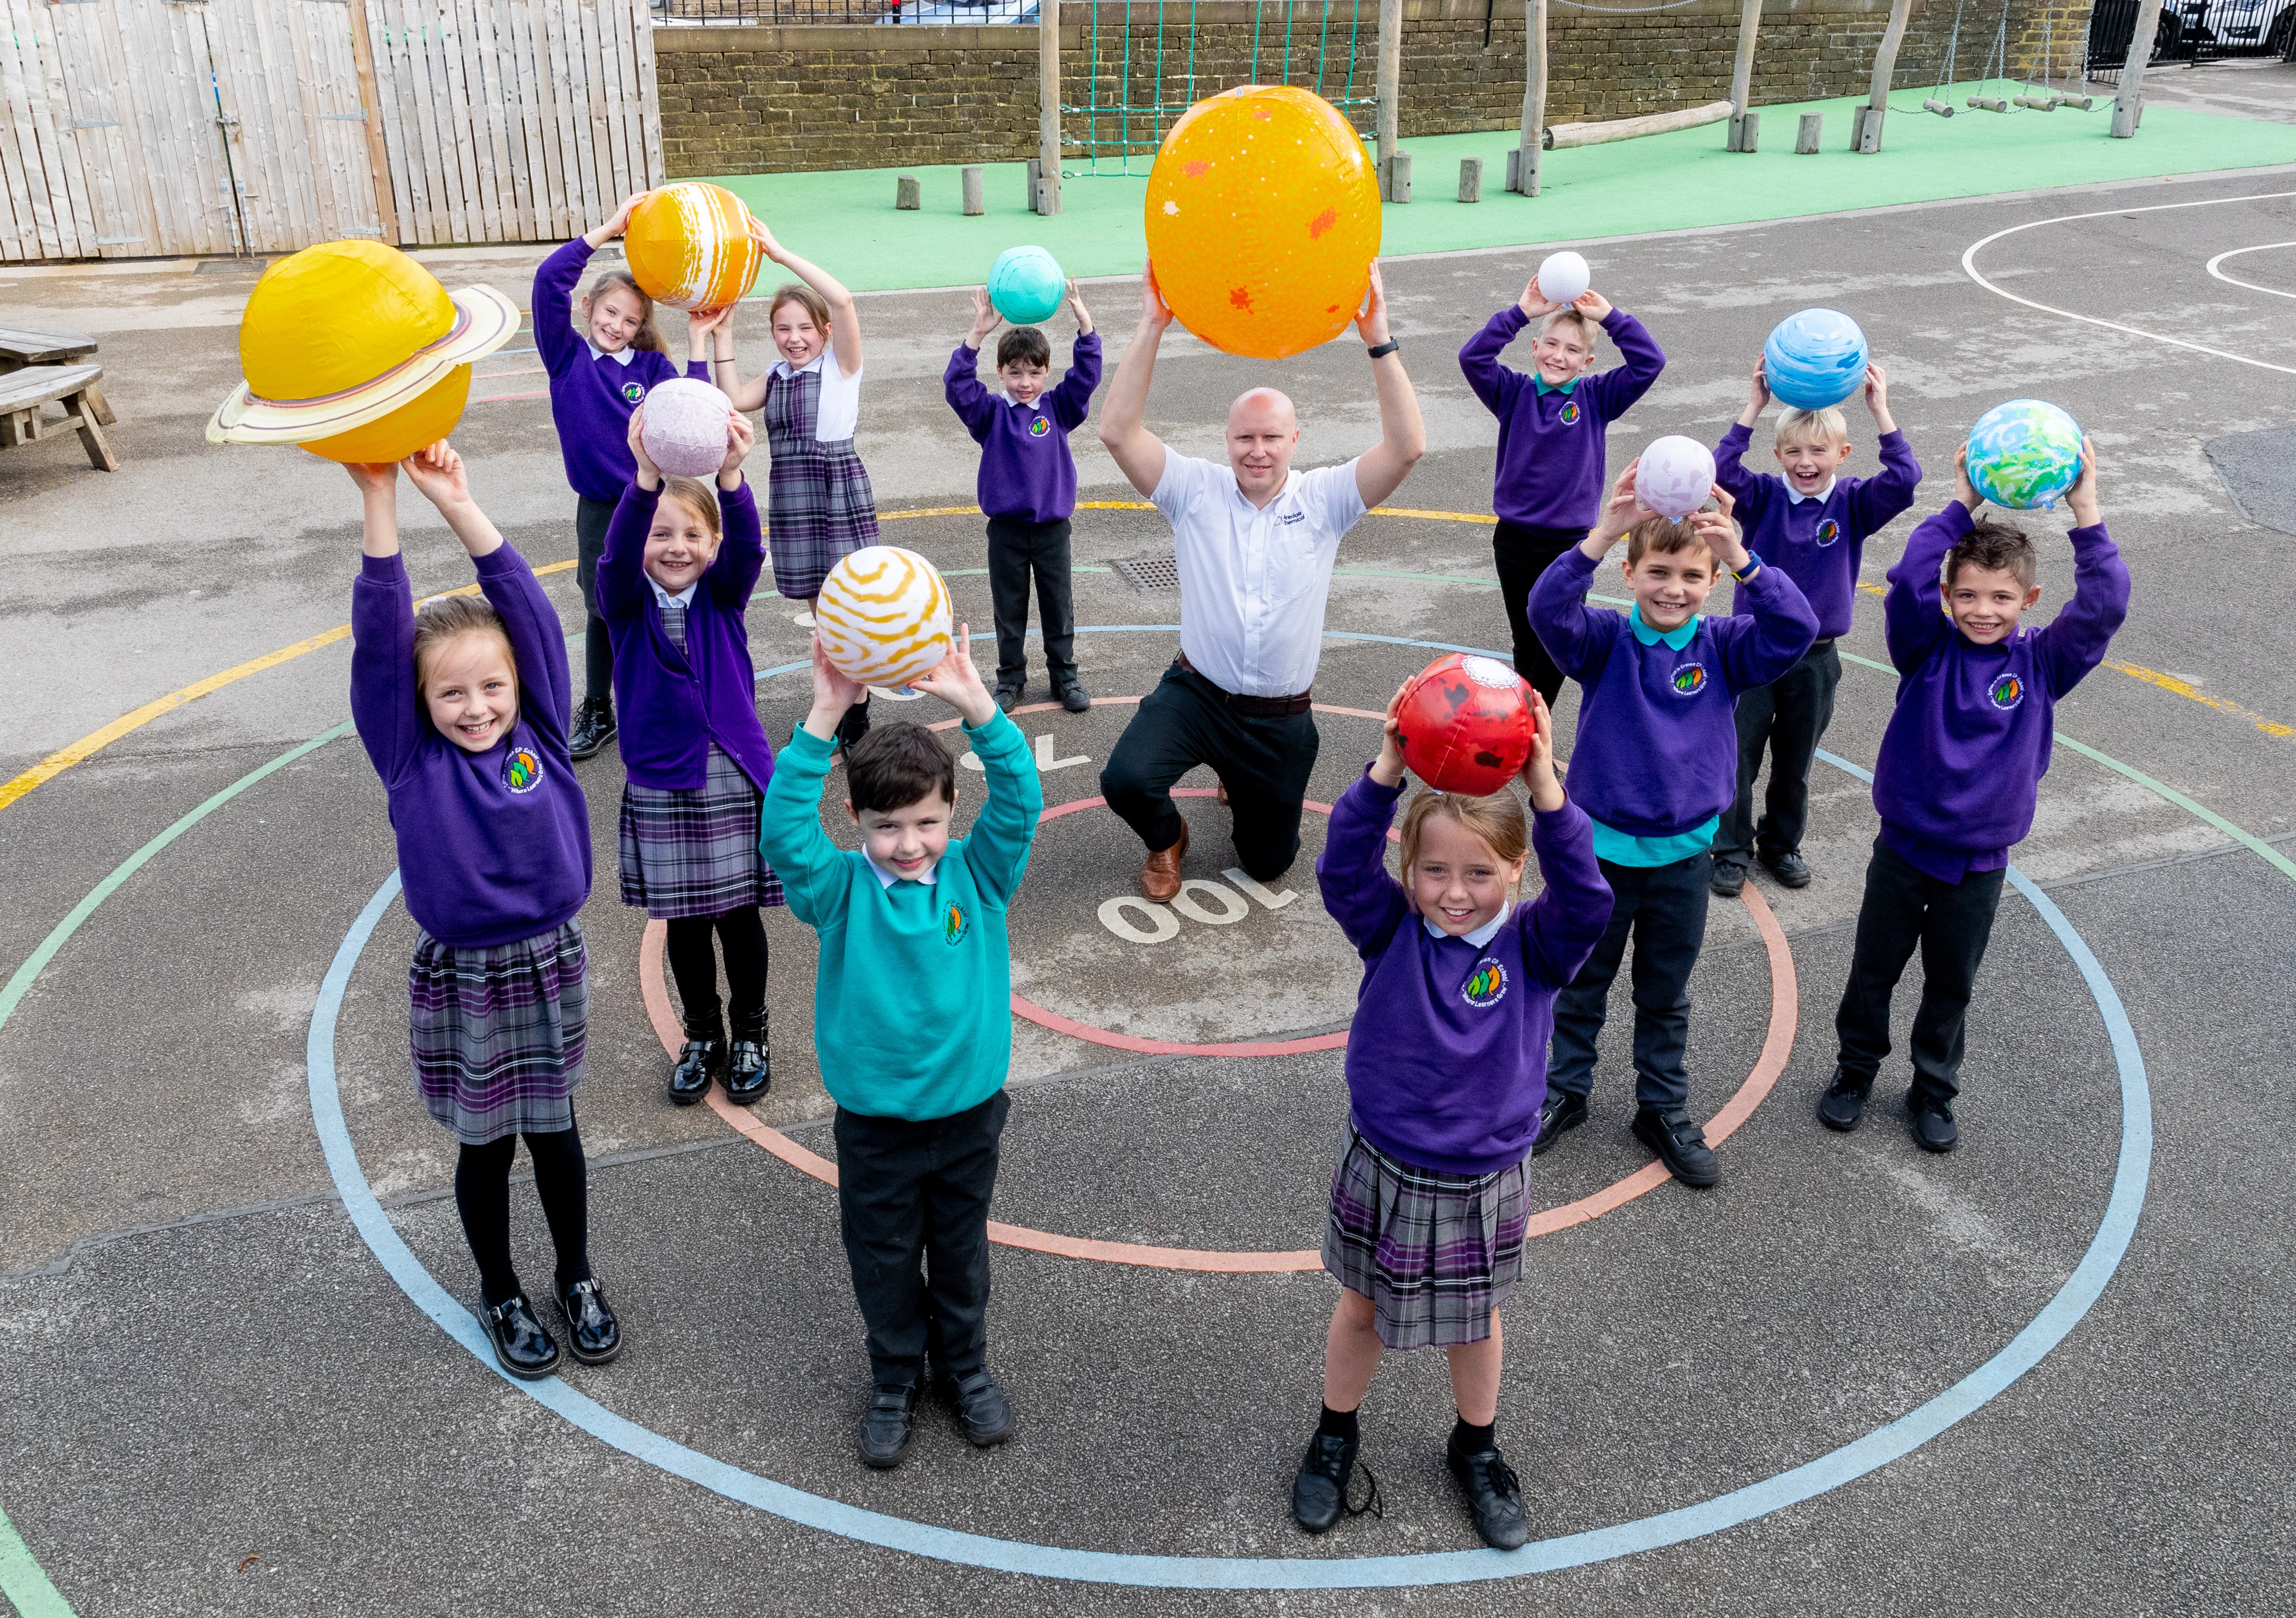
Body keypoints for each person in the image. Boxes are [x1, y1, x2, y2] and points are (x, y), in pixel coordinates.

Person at [1295, 683, 1611, 1550]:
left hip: (1483, 1168)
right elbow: (1338, 866)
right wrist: (1388, 770)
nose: (1455, 892)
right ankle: (1334, 1434)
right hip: (1386, 1155)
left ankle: (1475, 1447)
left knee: (1475, 1321)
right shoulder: (1388, 924)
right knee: (1359, 1306)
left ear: (1516, 870)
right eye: (1434, 870)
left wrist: (1548, 789)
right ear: (1408, 868)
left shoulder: (1536, 946)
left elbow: (1588, 897)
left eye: (1479, 872)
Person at [345, 442, 621, 1381]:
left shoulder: (541, 729)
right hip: (464, 972)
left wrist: (458, 503)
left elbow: (536, 621)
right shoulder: (410, 758)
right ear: (421, 703)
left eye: (490, 686)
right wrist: (381, 500)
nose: (475, 707)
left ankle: (575, 1276)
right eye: (452, 692)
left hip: (548, 957)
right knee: (485, 1144)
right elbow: (382, 639)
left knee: (556, 1131)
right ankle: (500, 1288)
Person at [758, 629, 1043, 1469]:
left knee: (959, 1253)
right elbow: (783, 835)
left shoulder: (978, 875)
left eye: (925, 821)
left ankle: (964, 1368)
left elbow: (1021, 799)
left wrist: (976, 704)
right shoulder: (839, 889)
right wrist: (823, 713)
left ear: (951, 811)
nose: (909, 842)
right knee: (883, 1258)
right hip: (876, 1125)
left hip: (968, 1117)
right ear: (857, 820)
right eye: (887, 826)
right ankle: (893, 1375)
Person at [1822, 441, 2127, 1151]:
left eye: (2000, 597)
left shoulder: (2043, 662)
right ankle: (1854, 1070)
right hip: (1901, 852)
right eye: (1967, 593)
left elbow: (2106, 602)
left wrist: (2085, 508)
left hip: (1979, 866)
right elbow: (1904, 577)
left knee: (1950, 985)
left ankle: (1933, 1088)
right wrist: (1961, 498)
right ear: (1947, 595)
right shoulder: (1925, 646)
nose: (1982, 609)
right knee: (1874, 970)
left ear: (2029, 601)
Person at [1095, 261, 1426, 902]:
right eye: (1245, 437)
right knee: (1126, 779)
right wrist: (1151, 325)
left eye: (1272, 437)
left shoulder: (1326, 498)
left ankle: (1242, 782)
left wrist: (1378, 338)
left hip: (1278, 718)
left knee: (1268, 861)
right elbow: (1117, 432)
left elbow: (1407, 446)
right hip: (1198, 693)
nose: (1258, 450)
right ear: (1227, 440)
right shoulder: (1194, 490)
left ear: (1294, 439)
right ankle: (1168, 837)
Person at [1528, 467, 1817, 1186]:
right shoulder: (1601, 639)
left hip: (1684, 859)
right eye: (1658, 570)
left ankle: (1660, 1106)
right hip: (1598, 858)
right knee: (1582, 982)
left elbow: (1798, 629)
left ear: (1714, 582)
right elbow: (1545, 610)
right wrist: (1600, 532)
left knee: (1665, 992)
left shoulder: (1724, 646)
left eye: (1693, 574)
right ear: (1629, 572)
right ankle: (1565, 1089)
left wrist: (1747, 556)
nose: (1673, 587)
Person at [601, 402, 784, 1107]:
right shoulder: (625, 603)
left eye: (692, 534)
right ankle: (701, 1034)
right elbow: (616, 557)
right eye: (660, 534)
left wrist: (733, 476)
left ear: (711, 546)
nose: (675, 546)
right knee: (683, 921)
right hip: (665, 781)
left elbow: (749, 548)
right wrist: (644, 478)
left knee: (741, 917)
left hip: (731, 774)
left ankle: (752, 1031)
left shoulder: (723, 594)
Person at [1710, 359, 1921, 898]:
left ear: (1841, 455)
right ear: (1778, 455)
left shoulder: (1853, 502)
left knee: (1796, 762)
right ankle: (1730, 849)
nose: (1807, 462)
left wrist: (1880, 409)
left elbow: (1904, 482)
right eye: (1795, 452)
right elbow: (1720, 470)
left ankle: (1781, 844)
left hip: (1816, 658)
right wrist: (1753, 406)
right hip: (1755, 652)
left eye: (1819, 450)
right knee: (1738, 755)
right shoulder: (1761, 496)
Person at [532, 191, 711, 763]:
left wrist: (700, 343)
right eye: (610, 313)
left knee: (670, 598)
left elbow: (694, 410)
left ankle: (676, 700)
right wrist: (606, 230)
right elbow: (545, 282)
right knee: (601, 608)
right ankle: (599, 708)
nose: (618, 324)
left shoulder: (653, 368)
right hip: (601, 509)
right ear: (589, 308)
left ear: (640, 327)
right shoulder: (567, 358)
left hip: (655, 504)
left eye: (630, 319)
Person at [694, 224, 880, 750]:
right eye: (782, 328)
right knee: (824, 611)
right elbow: (731, 395)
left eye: (804, 327)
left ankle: (857, 706)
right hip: (794, 494)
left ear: (823, 330)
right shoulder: (777, 375)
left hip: (836, 489)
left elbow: (841, 299)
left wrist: (778, 254)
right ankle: (847, 697)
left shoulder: (842, 368)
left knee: (850, 608)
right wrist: (723, 332)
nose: (794, 337)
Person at [1458, 274, 1665, 708]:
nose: (1559, 356)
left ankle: (1526, 729)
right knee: (1525, 640)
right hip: (1514, 541)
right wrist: (1520, 314)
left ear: (1588, 362)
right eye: (1551, 344)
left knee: (1555, 644)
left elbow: (1650, 362)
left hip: (1571, 549)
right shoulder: (1512, 392)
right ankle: (1524, 734)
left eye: (1573, 350)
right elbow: (1473, 357)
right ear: (1535, 349)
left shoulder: (1597, 397)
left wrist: (1610, 318)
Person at [943, 281, 1102, 714]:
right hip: (1007, 531)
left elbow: (1087, 377)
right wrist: (977, 335)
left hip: (1052, 530)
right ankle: (1010, 679)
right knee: (1008, 611)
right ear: (1000, 373)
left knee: (1058, 606)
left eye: (1034, 372)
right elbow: (957, 386)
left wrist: (1085, 324)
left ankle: (1064, 676)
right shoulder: (990, 414)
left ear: (1047, 372)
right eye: (1015, 372)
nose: (1025, 382)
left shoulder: (1059, 409)